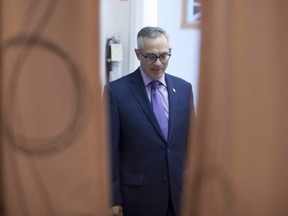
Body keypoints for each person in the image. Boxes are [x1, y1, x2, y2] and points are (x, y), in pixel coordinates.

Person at [104, 26, 195, 216]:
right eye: (151, 56)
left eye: (164, 56)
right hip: (137, 199)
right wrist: (112, 198)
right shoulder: (116, 92)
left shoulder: (184, 89)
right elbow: (108, 151)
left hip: (179, 197)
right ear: (138, 54)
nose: (159, 63)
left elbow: (192, 145)